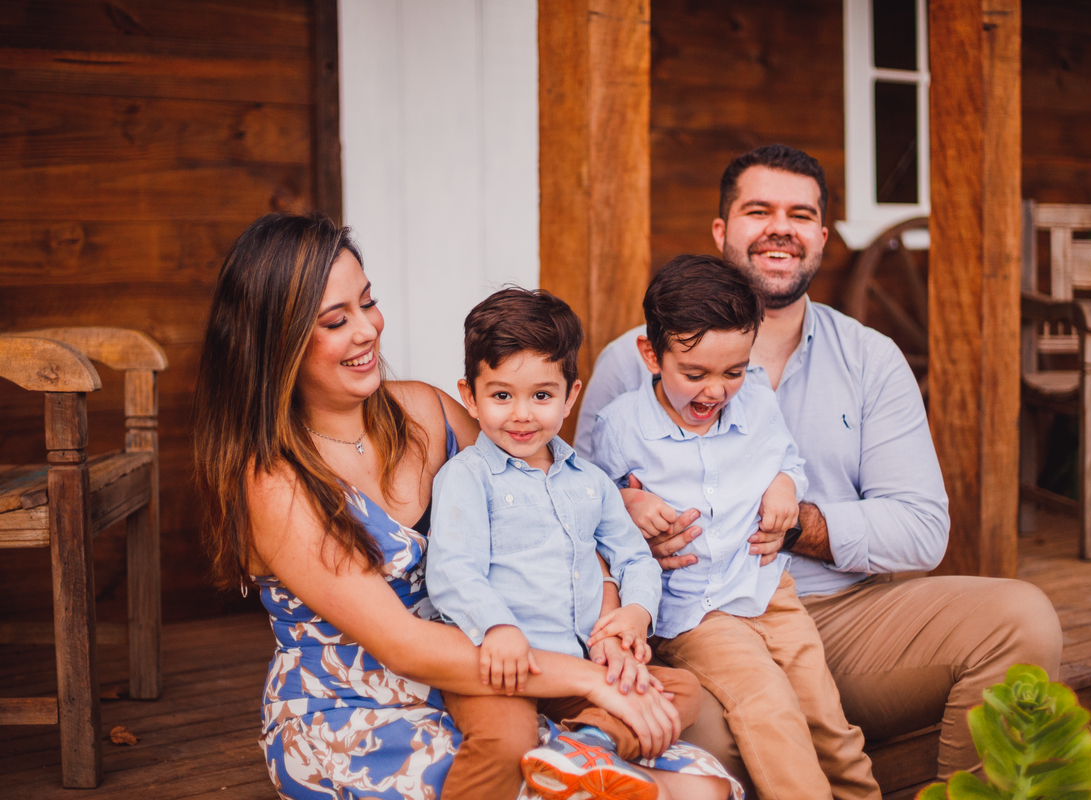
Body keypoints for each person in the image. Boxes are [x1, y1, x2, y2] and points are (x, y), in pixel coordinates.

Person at [192, 213, 739, 800]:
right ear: (278, 340)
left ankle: (585, 749)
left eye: (368, 302)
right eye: (335, 320)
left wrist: (611, 602)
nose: (367, 330)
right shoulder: (276, 482)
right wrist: (591, 680)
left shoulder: (424, 413)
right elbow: (404, 645)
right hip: (362, 705)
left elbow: (553, 506)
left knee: (700, 786)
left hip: (504, 669)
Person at [574, 145, 1063, 786]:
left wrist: (796, 523)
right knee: (727, 735)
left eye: (799, 214)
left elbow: (921, 529)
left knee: (1022, 620)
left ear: (821, 238)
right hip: (698, 621)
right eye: (758, 210)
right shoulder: (629, 363)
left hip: (843, 615)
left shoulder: (870, 358)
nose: (780, 226)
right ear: (722, 231)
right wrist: (632, 520)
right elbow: (578, 509)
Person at [588, 255, 881, 800]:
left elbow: (786, 459)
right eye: (694, 374)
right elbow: (590, 503)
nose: (715, 391)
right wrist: (628, 500)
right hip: (697, 610)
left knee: (827, 715)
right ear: (651, 354)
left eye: (733, 371)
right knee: (768, 708)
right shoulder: (622, 425)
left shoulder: (758, 397)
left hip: (770, 589)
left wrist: (785, 487)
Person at [426, 287, 705, 800]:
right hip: (502, 666)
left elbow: (633, 556)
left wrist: (635, 615)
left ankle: (588, 748)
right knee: (506, 736)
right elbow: (452, 570)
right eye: (501, 395)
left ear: (570, 395)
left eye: (541, 395)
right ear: (470, 395)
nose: (522, 415)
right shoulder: (468, 477)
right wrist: (498, 626)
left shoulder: (589, 481)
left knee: (681, 689)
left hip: (577, 665)